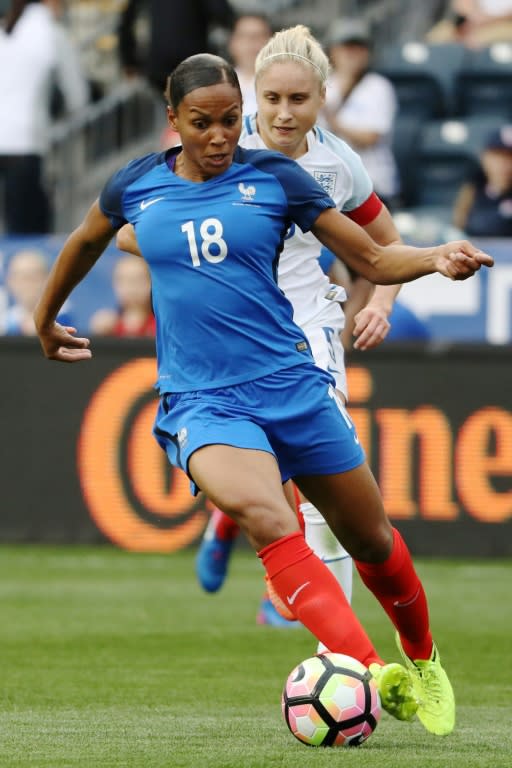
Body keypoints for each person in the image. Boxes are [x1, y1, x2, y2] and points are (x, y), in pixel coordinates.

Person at [33, 52, 492, 735]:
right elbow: (82, 243)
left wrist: (432, 258)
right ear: (173, 121)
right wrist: (44, 320)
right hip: (201, 400)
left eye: (227, 121)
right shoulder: (137, 186)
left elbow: (368, 257)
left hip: (290, 383)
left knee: (371, 541)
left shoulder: (274, 177)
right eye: (201, 123)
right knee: (270, 518)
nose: (219, 136)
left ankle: (421, 658)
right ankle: (369, 671)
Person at [192, 24, 405, 629]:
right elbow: (146, 224)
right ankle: (225, 519)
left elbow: (386, 246)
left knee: (321, 490)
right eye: (272, 99)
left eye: (299, 100)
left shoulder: (338, 165)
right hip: (228, 327)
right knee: (246, 466)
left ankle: (334, 650)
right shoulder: (219, 147)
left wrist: (380, 303)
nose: (284, 114)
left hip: (307, 324)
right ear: (254, 93)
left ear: (323, 97)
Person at [0, 0, 89, 234]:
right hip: (26, 143)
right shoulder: (52, 33)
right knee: (26, 233)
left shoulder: (6, 31)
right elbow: (77, 97)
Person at [320, 18, 401, 210]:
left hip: (372, 184)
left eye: (359, 47)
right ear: (333, 51)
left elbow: (370, 137)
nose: (352, 54)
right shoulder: (320, 85)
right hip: (330, 184)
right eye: (346, 47)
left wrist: (332, 119)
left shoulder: (378, 86)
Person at [453, 124, 512, 237]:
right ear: (484, 157)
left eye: (510, 156)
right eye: (498, 155)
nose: (505, 164)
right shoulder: (474, 187)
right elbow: (459, 226)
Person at [4, 248, 73, 334]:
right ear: (9, 282)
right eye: (19, 277)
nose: (26, 284)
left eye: (33, 276)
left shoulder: (66, 316)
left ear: (48, 279)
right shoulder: (7, 321)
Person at [89, 253, 155, 336]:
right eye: (123, 280)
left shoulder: (160, 326)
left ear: (152, 283)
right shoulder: (107, 325)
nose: (132, 287)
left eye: (139, 280)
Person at [227, 11, 272, 116]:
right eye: (244, 36)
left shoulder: (286, 85)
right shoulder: (217, 84)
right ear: (232, 42)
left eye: (259, 36)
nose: (252, 42)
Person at [426, 0, 512, 47]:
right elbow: (461, 4)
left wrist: (486, 20)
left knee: (480, 39)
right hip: (472, 21)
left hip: (503, 25)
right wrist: (474, 17)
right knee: (440, 34)